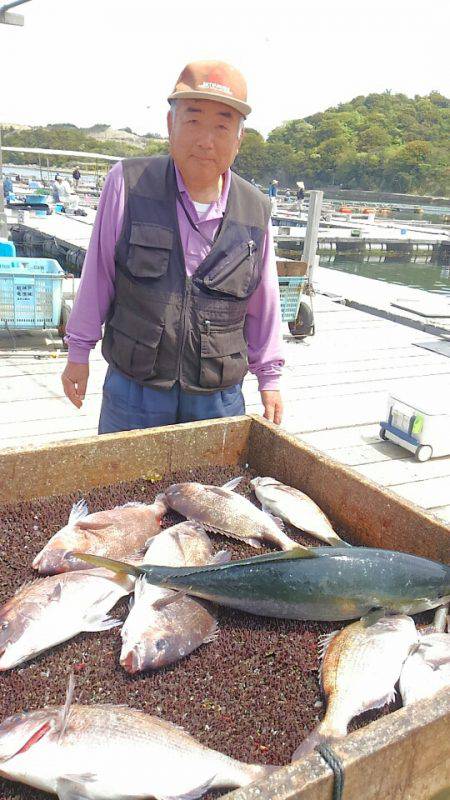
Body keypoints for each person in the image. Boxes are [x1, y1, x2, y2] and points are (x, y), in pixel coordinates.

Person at [62, 60, 284, 433]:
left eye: (221, 125)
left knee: (212, 491)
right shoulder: (127, 183)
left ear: (239, 138)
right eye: (193, 120)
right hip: (135, 388)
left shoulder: (256, 208)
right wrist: (78, 351)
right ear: (170, 125)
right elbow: (97, 276)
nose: (205, 139)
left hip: (217, 395)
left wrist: (270, 379)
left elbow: (266, 303)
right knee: (123, 488)